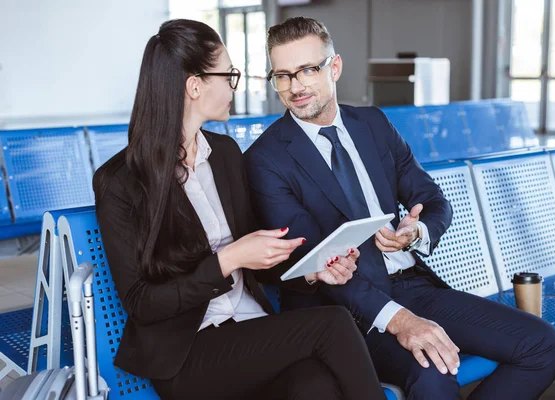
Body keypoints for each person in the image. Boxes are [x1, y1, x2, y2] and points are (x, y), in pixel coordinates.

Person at [244, 16, 555, 400]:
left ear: (335, 67)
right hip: (342, 311)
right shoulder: (266, 158)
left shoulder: (373, 124)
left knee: (543, 344)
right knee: (433, 372)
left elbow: (432, 200)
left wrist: (416, 231)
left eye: (308, 70)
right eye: (282, 75)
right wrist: (399, 321)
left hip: (413, 285)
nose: (295, 86)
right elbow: (317, 261)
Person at [93, 19, 387, 400]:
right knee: (333, 325)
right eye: (228, 74)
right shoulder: (121, 181)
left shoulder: (226, 156)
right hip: (188, 352)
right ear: (195, 85)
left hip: (251, 330)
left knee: (316, 385)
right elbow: (142, 303)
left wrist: (313, 272)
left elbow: (260, 263)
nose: (235, 85)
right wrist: (227, 260)